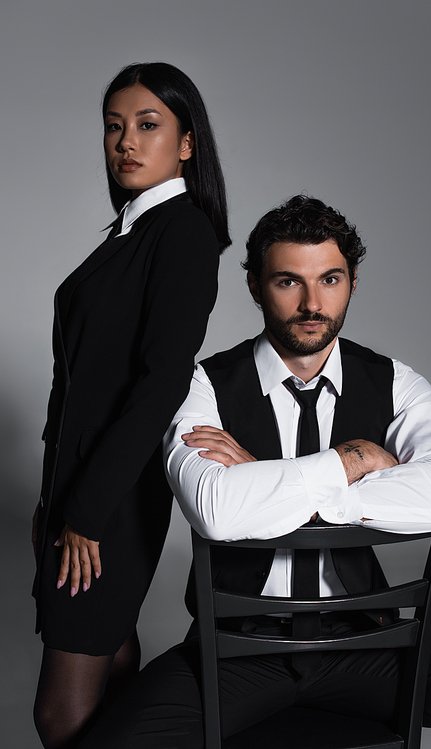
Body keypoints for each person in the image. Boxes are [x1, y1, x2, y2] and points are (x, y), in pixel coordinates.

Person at [79, 196, 431, 748]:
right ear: (254, 285)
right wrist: (354, 463)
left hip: (372, 645)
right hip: (234, 652)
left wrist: (272, 480)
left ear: (351, 282)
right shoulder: (200, 386)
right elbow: (218, 511)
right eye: (287, 282)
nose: (311, 303)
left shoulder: (397, 383)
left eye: (330, 279)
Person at [32, 62, 231, 749]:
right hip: (76, 492)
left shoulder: (182, 233)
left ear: (185, 143)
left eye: (148, 125)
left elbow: (160, 383)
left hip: (108, 502)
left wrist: (85, 511)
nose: (125, 141)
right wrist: (58, 501)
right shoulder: (127, 232)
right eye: (114, 127)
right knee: (112, 666)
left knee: (61, 718)